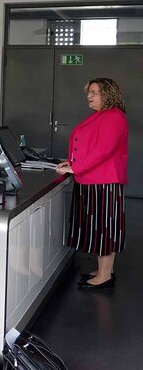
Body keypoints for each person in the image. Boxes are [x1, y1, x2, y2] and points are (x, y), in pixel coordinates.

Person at [58, 78, 128, 290]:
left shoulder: (113, 116)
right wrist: (72, 163)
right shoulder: (102, 115)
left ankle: (105, 276)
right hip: (94, 180)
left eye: (94, 92)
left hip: (103, 181)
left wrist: (77, 167)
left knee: (104, 228)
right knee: (99, 228)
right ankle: (104, 270)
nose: (89, 96)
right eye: (89, 92)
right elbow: (89, 146)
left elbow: (104, 149)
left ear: (107, 94)